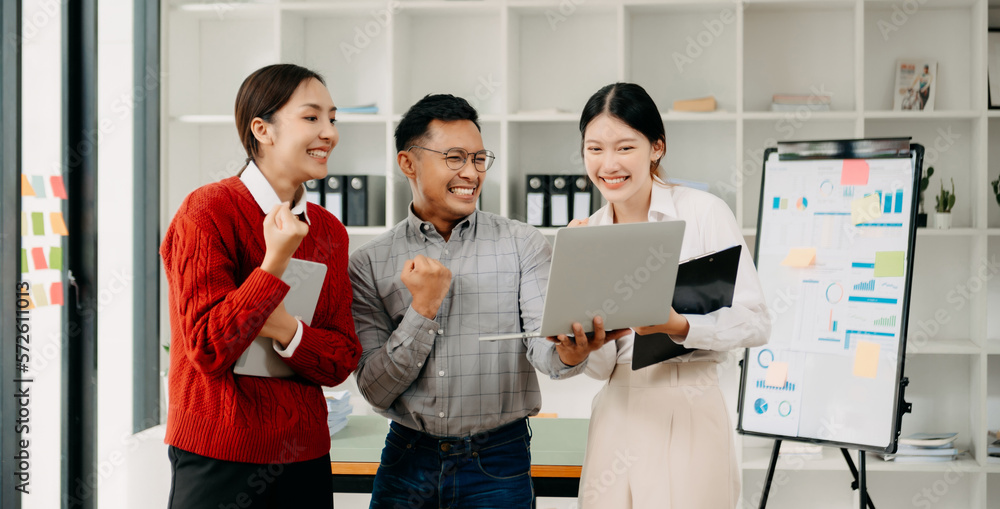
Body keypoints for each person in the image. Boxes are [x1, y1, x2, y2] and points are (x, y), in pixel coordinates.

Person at [349, 94, 625, 509]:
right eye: (455, 157)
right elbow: (375, 389)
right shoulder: (369, 263)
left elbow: (547, 356)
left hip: (497, 461)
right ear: (408, 163)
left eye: (479, 159)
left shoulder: (522, 244)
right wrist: (422, 309)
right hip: (407, 460)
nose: (471, 173)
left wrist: (571, 353)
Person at [160, 64, 362, 509]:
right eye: (311, 118)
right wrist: (273, 263)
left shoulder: (329, 231)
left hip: (305, 454)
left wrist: (287, 329)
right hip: (219, 453)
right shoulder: (207, 210)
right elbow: (209, 348)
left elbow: (341, 359)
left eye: (333, 119)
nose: (329, 132)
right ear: (262, 129)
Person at [565, 83, 771, 508]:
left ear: (656, 147)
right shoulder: (587, 235)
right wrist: (586, 343)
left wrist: (680, 325)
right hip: (617, 408)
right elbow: (601, 368)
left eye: (625, 147)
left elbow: (756, 321)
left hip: (689, 399)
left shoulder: (703, 213)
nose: (608, 164)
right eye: (595, 149)